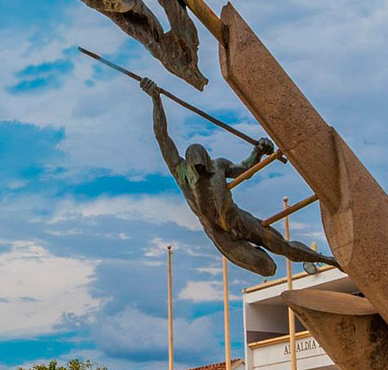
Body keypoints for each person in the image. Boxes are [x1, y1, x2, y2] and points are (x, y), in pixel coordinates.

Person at [140, 78, 339, 277]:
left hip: (238, 219)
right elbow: (162, 136)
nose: (200, 171)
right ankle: (265, 255)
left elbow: (244, 168)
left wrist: (258, 151)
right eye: (196, 168)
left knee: (282, 246)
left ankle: (329, 260)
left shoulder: (218, 166)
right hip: (220, 235)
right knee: (267, 268)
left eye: (202, 166)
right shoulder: (180, 172)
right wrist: (156, 100)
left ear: (207, 162)